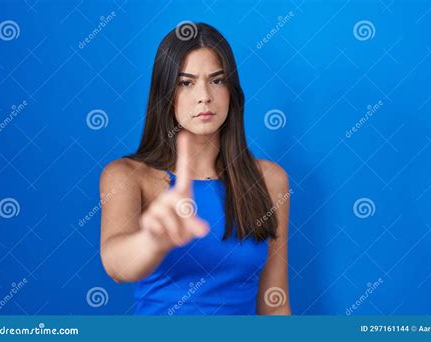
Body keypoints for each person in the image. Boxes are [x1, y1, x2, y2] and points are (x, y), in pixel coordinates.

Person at [99, 22, 291, 315]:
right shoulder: (126, 175)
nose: (204, 96)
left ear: (231, 91)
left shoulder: (270, 180)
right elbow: (116, 266)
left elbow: (275, 304)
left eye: (217, 80)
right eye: (186, 82)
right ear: (166, 94)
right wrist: (152, 240)